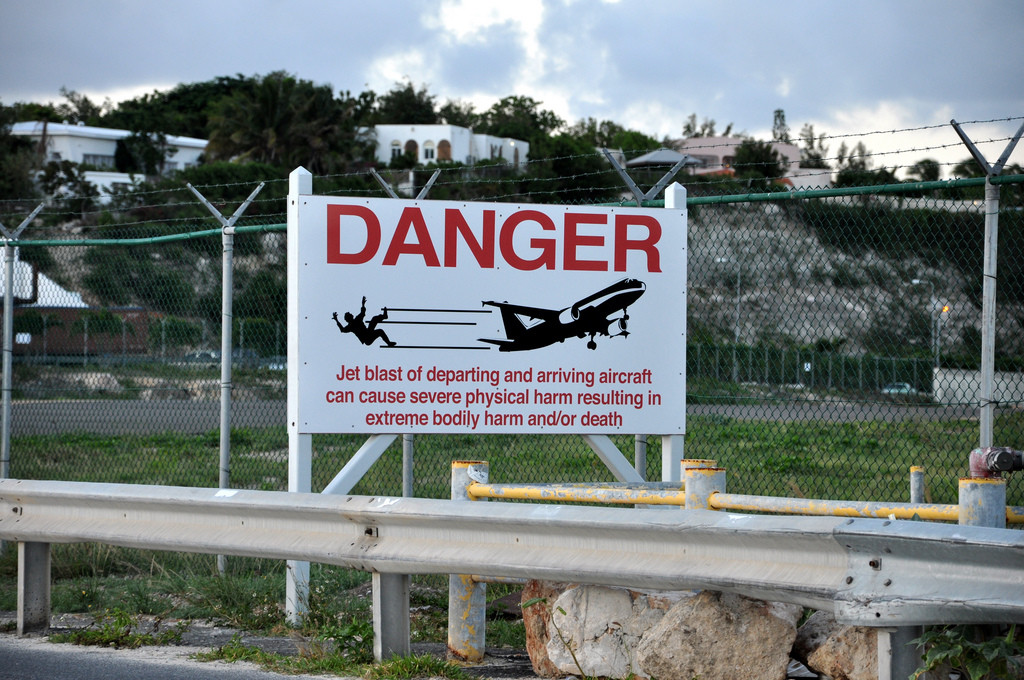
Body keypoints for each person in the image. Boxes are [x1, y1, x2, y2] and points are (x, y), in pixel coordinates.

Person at [332, 296, 397, 347]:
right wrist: (336, 320)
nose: (351, 314)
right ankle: (388, 343)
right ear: (349, 318)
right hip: (367, 339)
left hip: (368, 332)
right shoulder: (351, 325)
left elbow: (362, 312)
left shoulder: (356, 320)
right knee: (380, 330)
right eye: (350, 314)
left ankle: (384, 317)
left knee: (374, 320)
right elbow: (342, 329)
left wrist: (363, 304)